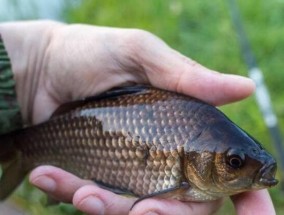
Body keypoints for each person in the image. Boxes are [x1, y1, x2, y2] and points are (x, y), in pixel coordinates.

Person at [0, 20, 275, 215]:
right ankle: (20, 148)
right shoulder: (199, 125)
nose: (241, 166)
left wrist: (38, 57)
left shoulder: (202, 123)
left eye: (235, 162)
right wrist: (40, 56)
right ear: (195, 159)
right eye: (235, 162)